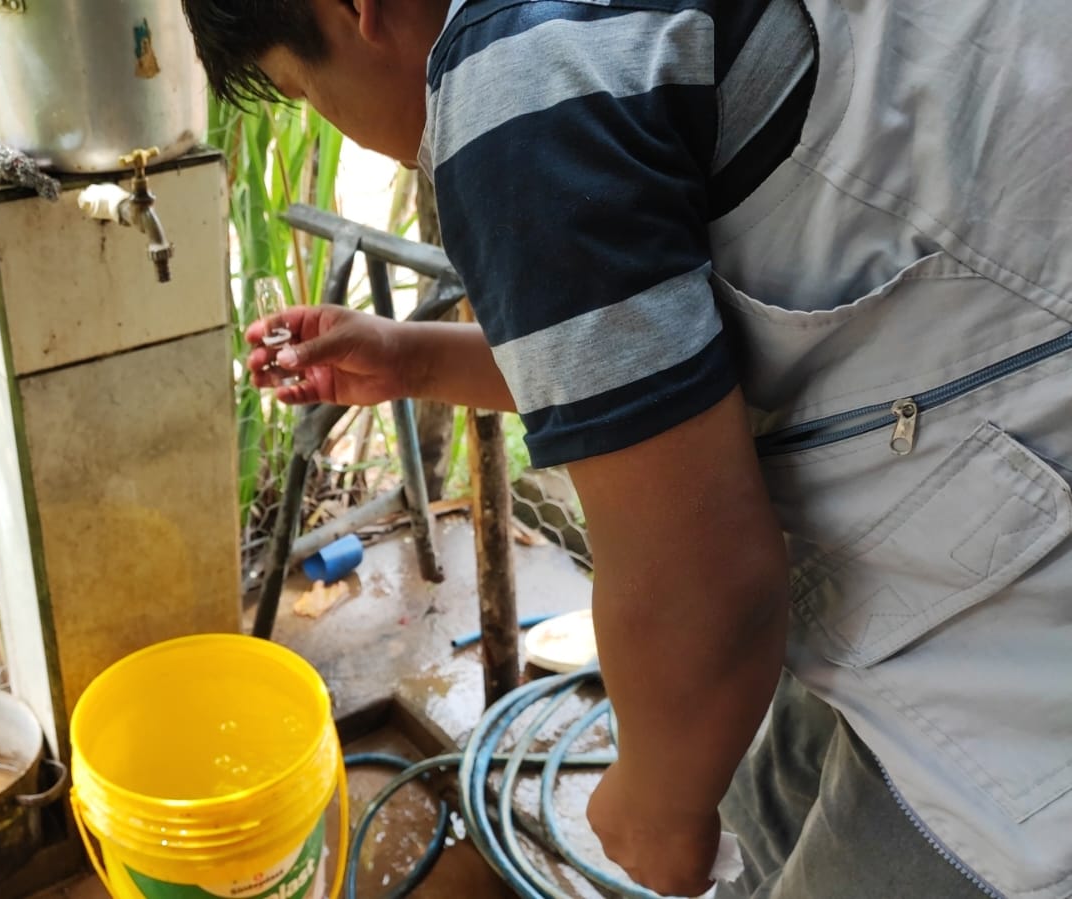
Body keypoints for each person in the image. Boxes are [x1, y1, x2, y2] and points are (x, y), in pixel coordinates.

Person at [181, 0, 1072, 896]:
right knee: (770, 799)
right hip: (963, 475)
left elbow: (700, 574)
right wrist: (406, 355)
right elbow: (659, 365)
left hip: (1022, 614)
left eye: (306, 90)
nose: (338, 125)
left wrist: (655, 800)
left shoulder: (510, 78)